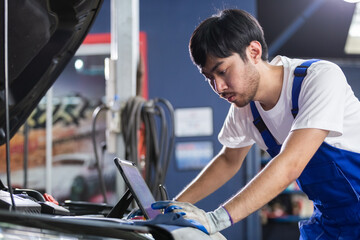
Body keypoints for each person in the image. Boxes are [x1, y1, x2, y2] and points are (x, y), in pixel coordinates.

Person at [152, 8, 360, 239]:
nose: (219, 87)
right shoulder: (246, 109)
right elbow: (228, 160)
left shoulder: (319, 78)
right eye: (209, 78)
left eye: (222, 71)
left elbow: (291, 164)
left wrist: (217, 219)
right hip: (333, 221)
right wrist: (171, 208)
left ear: (253, 51)